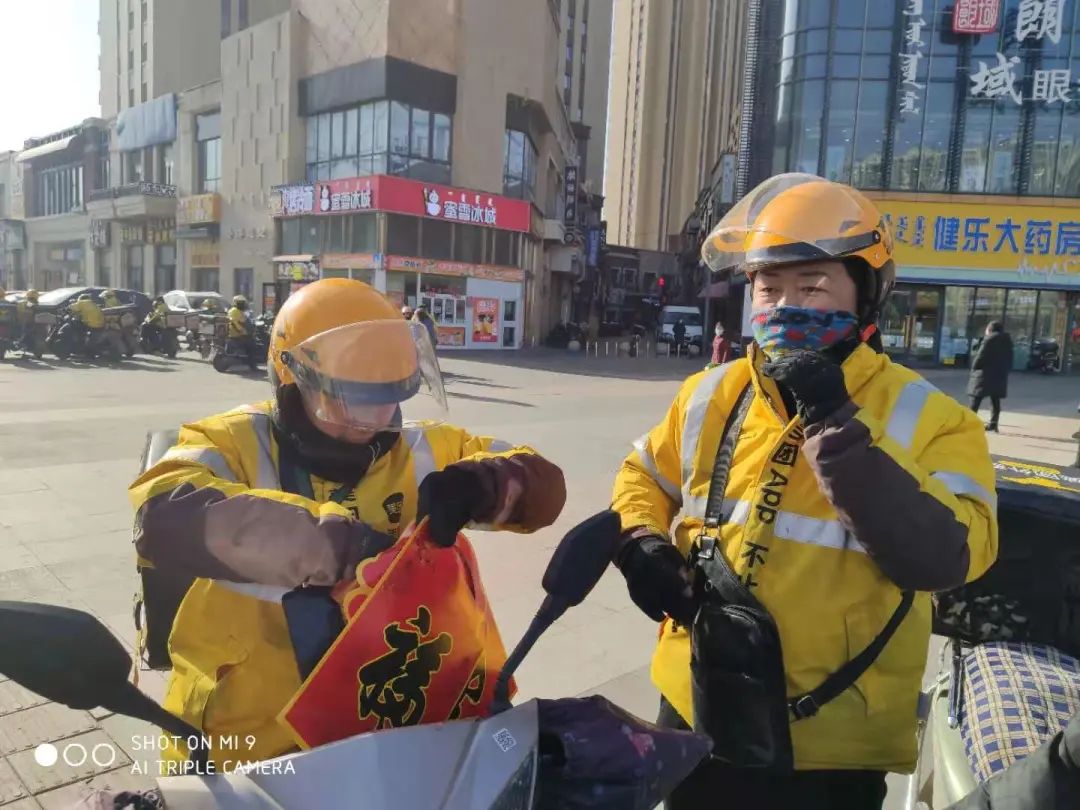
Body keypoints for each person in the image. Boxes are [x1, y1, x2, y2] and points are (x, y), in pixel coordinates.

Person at [611, 174, 998, 810]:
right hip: (696, 703)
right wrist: (640, 542)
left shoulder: (933, 419)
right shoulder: (711, 391)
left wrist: (839, 427)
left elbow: (948, 558)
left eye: (813, 286)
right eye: (768, 287)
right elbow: (643, 476)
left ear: (868, 293)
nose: (785, 305)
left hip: (828, 747)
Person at [128, 278, 566, 768]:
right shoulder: (231, 442)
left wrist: (488, 484)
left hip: (389, 719)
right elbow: (163, 512)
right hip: (247, 731)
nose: (376, 417)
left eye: (389, 396)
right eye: (352, 398)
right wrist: (340, 549)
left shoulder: (424, 448)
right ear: (292, 378)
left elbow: (544, 487)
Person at [968, 321, 1012, 433]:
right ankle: (993, 424)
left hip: (984, 374)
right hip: (999, 375)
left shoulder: (989, 340)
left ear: (990, 329)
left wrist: (974, 369)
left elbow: (980, 356)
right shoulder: (1007, 341)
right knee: (995, 400)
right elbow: (1010, 359)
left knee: (975, 399)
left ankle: (969, 423)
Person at [228, 294, 258, 370]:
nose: (242, 304)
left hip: (234, 333)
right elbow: (238, 323)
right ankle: (252, 366)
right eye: (240, 302)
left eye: (242, 302)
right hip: (238, 334)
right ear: (236, 303)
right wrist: (244, 332)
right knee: (252, 347)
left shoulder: (233, 310)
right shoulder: (236, 311)